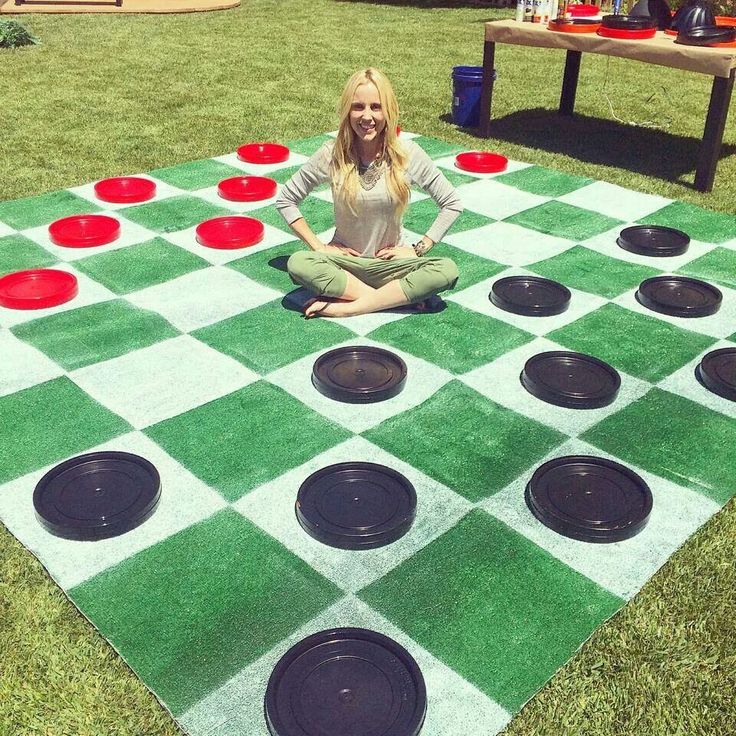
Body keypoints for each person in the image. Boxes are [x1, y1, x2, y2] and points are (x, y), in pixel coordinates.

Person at [275, 67, 463, 318]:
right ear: (347, 112)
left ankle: (351, 306)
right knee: (299, 263)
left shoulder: (408, 154)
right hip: (346, 265)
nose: (367, 117)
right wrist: (319, 247)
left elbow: (452, 203)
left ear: (388, 111)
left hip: (393, 265)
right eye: (357, 107)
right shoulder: (331, 155)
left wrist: (418, 249)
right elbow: (286, 199)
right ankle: (393, 300)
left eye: (376, 107)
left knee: (446, 269)